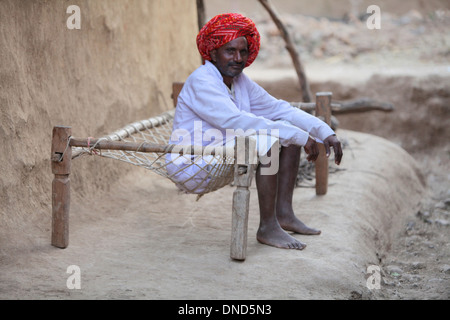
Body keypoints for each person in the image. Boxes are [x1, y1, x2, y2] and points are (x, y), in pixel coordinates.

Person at [168, 13, 343, 250]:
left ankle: (283, 214)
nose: (238, 58)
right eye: (230, 51)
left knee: (285, 135)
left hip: (222, 153)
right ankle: (267, 227)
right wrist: (299, 135)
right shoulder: (202, 81)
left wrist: (324, 132)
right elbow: (237, 121)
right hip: (193, 163)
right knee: (271, 140)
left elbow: (279, 108)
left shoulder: (240, 81)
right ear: (212, 52)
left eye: (243, 52)